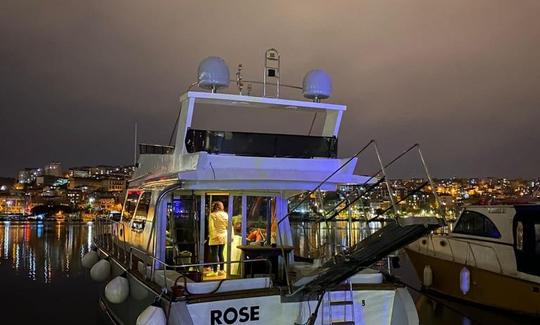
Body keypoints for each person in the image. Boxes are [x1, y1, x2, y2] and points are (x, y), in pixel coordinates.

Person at [208, 201, 228, 276]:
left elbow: (211, 227)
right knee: (221, 253)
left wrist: (213, 236)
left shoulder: (212, 215)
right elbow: (229, 226)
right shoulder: (225, 215)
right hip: (223, 236)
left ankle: (215, 271)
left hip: (215, 236)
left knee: (214, 254)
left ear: (216, 207)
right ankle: (222, 270)